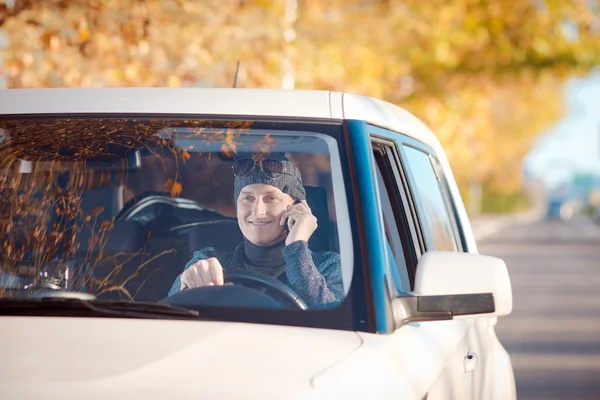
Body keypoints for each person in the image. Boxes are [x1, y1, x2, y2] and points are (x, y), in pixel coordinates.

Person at [167, 153, 343, 309]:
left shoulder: (328, 266)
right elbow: (168, 321)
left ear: (298, 207)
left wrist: (297, 248)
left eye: (271, 198)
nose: (257, 211)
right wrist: (186, 286)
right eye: (248, 198)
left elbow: (332, 327)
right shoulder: (208, 261)